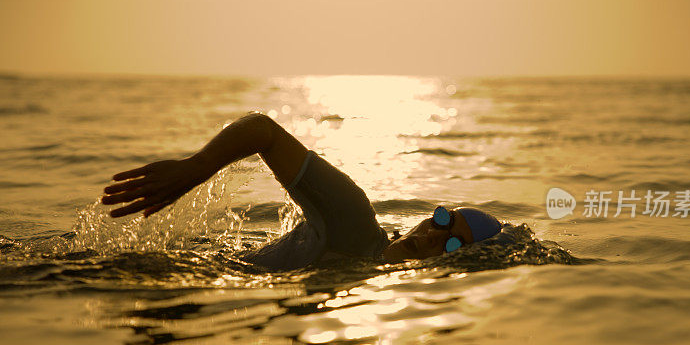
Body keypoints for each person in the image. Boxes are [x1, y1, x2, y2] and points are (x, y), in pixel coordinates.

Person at [102, 113, 503, 269]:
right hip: (191, 271)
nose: (435, 235)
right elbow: (264, 130)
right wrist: (195, 168)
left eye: (452, 245)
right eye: (443, 220)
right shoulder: (353, 219)